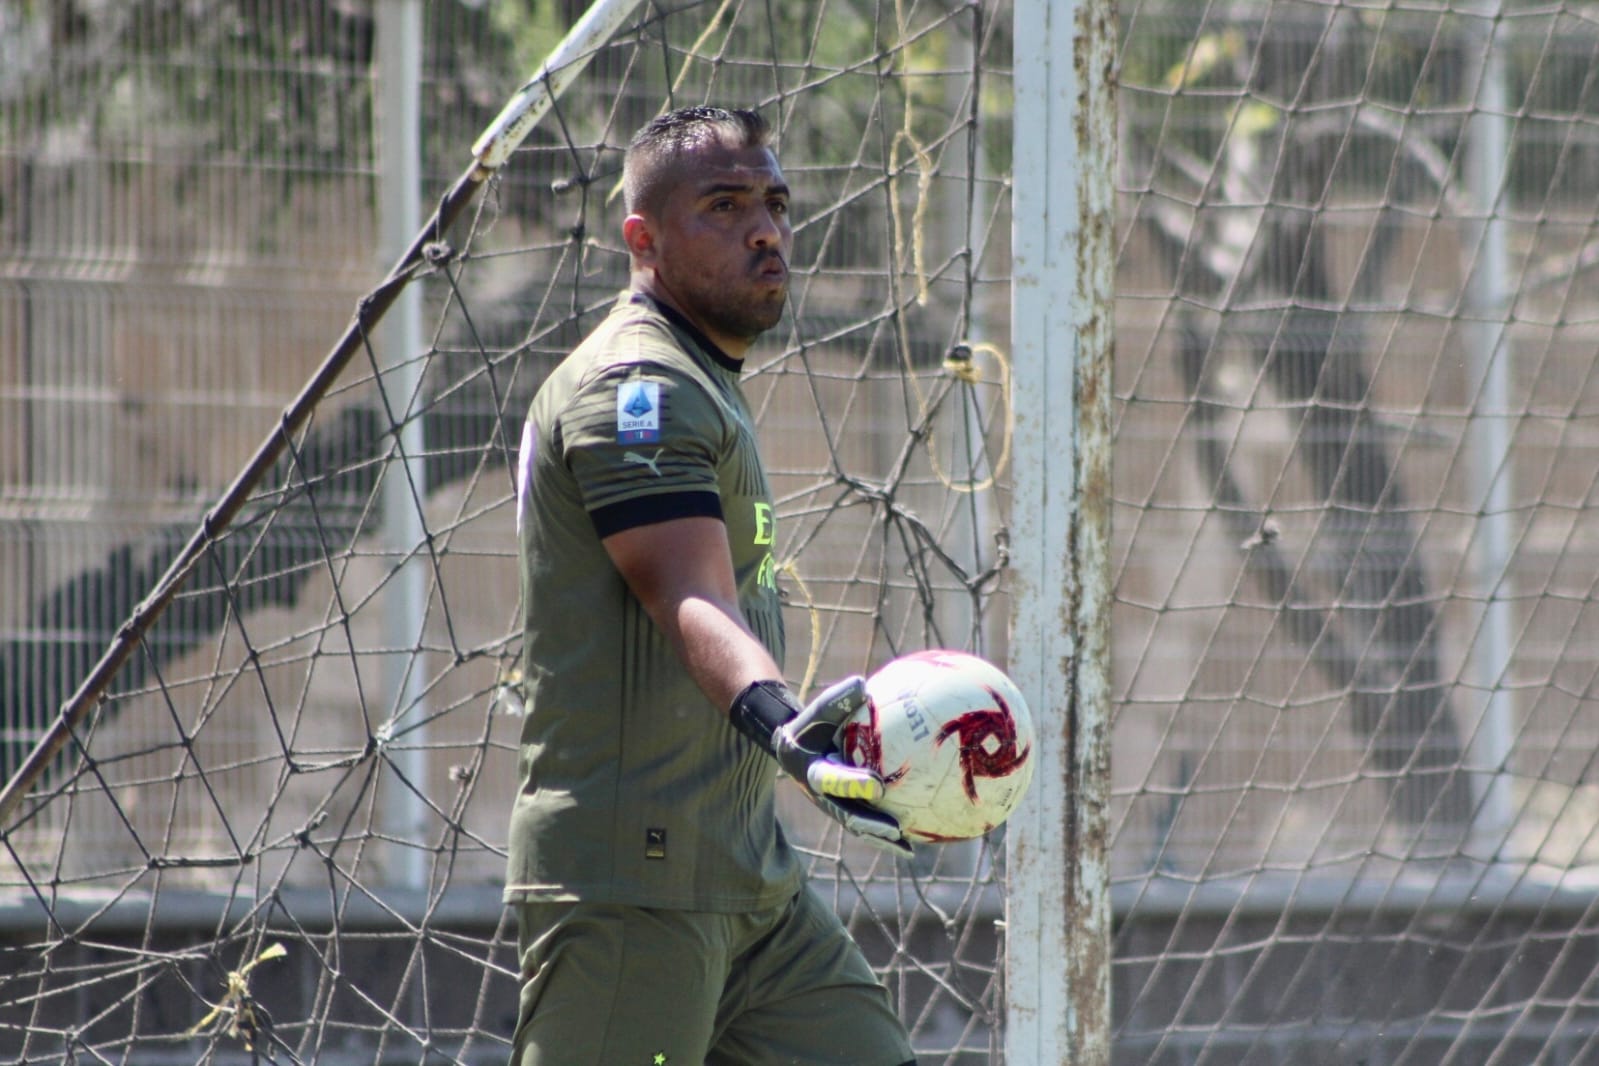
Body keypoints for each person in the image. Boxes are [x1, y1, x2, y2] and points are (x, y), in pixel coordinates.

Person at [505, 105, 917, 1066]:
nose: (765, 230)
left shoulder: (702, 374)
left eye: (774, 203)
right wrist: (786, 723)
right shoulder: (636, 390)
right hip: (636, 887)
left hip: (751, 886)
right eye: (724, 206)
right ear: (641, 239)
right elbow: (689, 596)